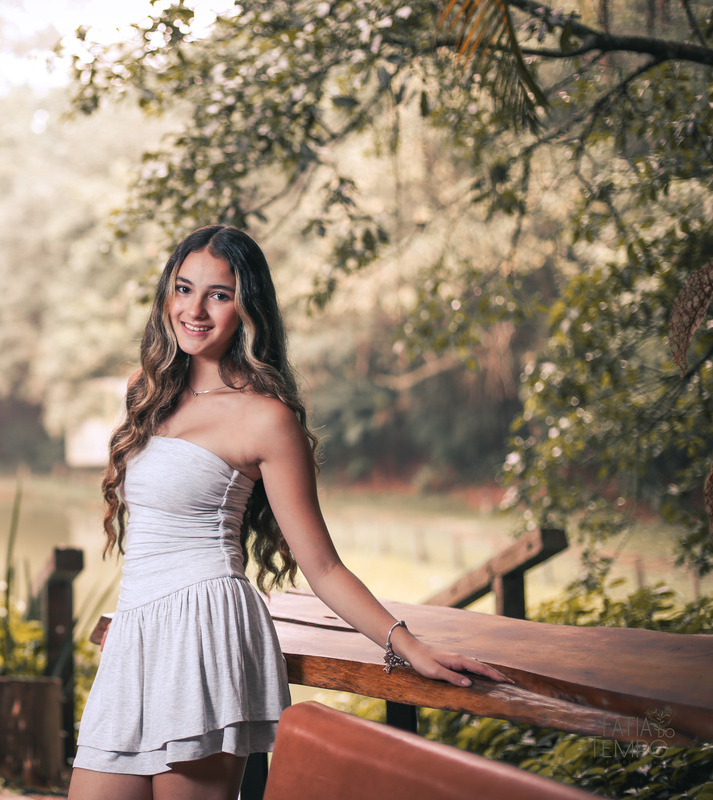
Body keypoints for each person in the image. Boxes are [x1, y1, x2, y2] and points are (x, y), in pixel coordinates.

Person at [67, 225, 510, 800]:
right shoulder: (145, 391)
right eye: (184, 288)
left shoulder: (265, 419)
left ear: (248, 309)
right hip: (136, 632)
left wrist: (408, 645)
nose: (195, 310)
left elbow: (322, 567)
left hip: (205, 632)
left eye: (219, 295)